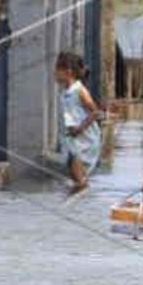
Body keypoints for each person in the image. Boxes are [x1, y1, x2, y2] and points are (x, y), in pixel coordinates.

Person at [54, 52, 102, 195]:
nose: (54, 73)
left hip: (84, 138)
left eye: (57, 71)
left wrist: (80, 128)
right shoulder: (66, 91)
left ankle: (77, 201)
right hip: (73, 138)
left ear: (68, 72)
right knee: (74, 172)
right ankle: (77, 199)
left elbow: (95, 112)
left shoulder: (80, 90)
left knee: (78, 175)